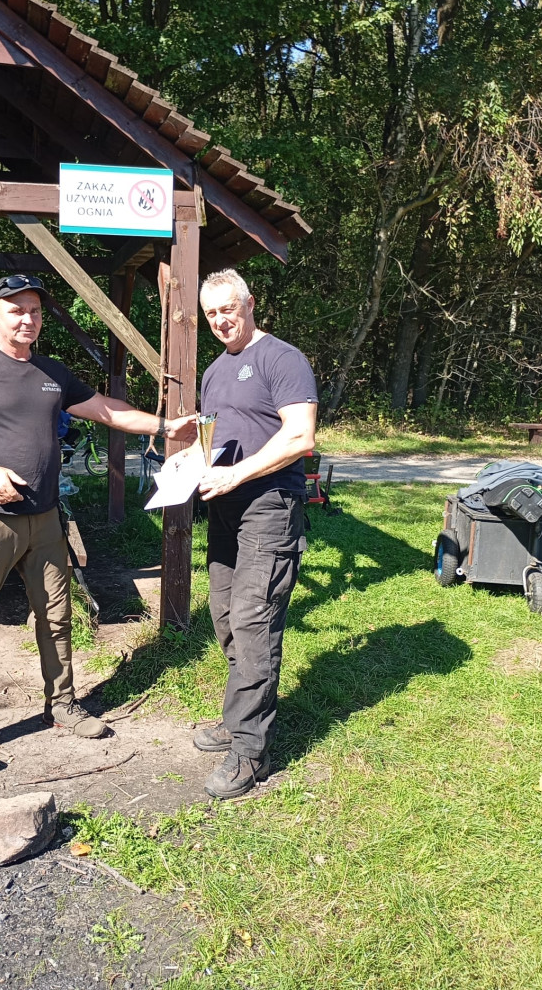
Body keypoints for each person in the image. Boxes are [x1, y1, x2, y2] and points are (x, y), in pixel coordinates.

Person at [0, 273, 196, 774]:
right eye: (16, 309)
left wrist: (164, 426)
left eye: (35, 311)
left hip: (45, 520)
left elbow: (106, 410)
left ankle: (62, 705)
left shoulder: (51, 372)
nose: (28, 319)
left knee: (57, 617)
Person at [193, 268, 318, 800]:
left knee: (254, 621)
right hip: (224, 508)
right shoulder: (214, 370)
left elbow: (300, 436)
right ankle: (241, 714)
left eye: (228, 309)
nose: (221, 321)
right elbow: (213, 438)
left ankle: (250, 751)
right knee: (225, 616)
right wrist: (188, 464)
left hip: (269, 508)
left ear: (249, 303)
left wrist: (236, 475)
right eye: (211, 313)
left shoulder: (282, 359)